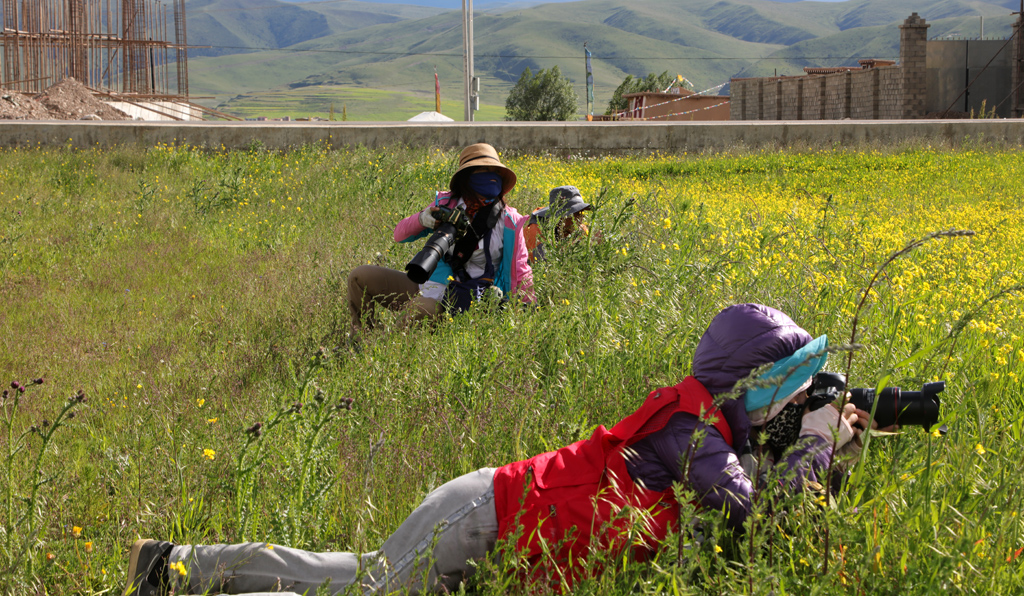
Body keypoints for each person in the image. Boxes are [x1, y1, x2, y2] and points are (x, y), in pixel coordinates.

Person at [123, 303, 882, 596]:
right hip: (489, 514)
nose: (793, 400)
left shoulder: (710, 431)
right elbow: (759, 516)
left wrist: (833, 452)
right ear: (745, 384)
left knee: (354, 579)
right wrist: (816, 444)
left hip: (498, 518)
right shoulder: (695, 433)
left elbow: (766, 518)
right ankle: (176, 569)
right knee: (358, 592)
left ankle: (173, 563)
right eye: (787, 384)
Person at [347, 143, 534, 332]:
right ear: (467, 178)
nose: (490, 177)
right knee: (360, 277)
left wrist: (527, 310)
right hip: (430, 286)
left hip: (473, 299)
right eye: (482, 170)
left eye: (494, 171)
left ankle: (388, 353)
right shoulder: (447, 204)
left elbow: (521, 270)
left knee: (418, 309)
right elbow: (399, 235)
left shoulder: (510, 221)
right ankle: (363, 339)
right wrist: (422, 219)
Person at [522, 186, 596, 264]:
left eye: (581, 212)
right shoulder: (535, 231)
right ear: (560, 215)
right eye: (576, 213)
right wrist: (580, 244)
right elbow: (545, 263)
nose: (581, 217)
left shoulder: (579, 228)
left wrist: (593, 245)